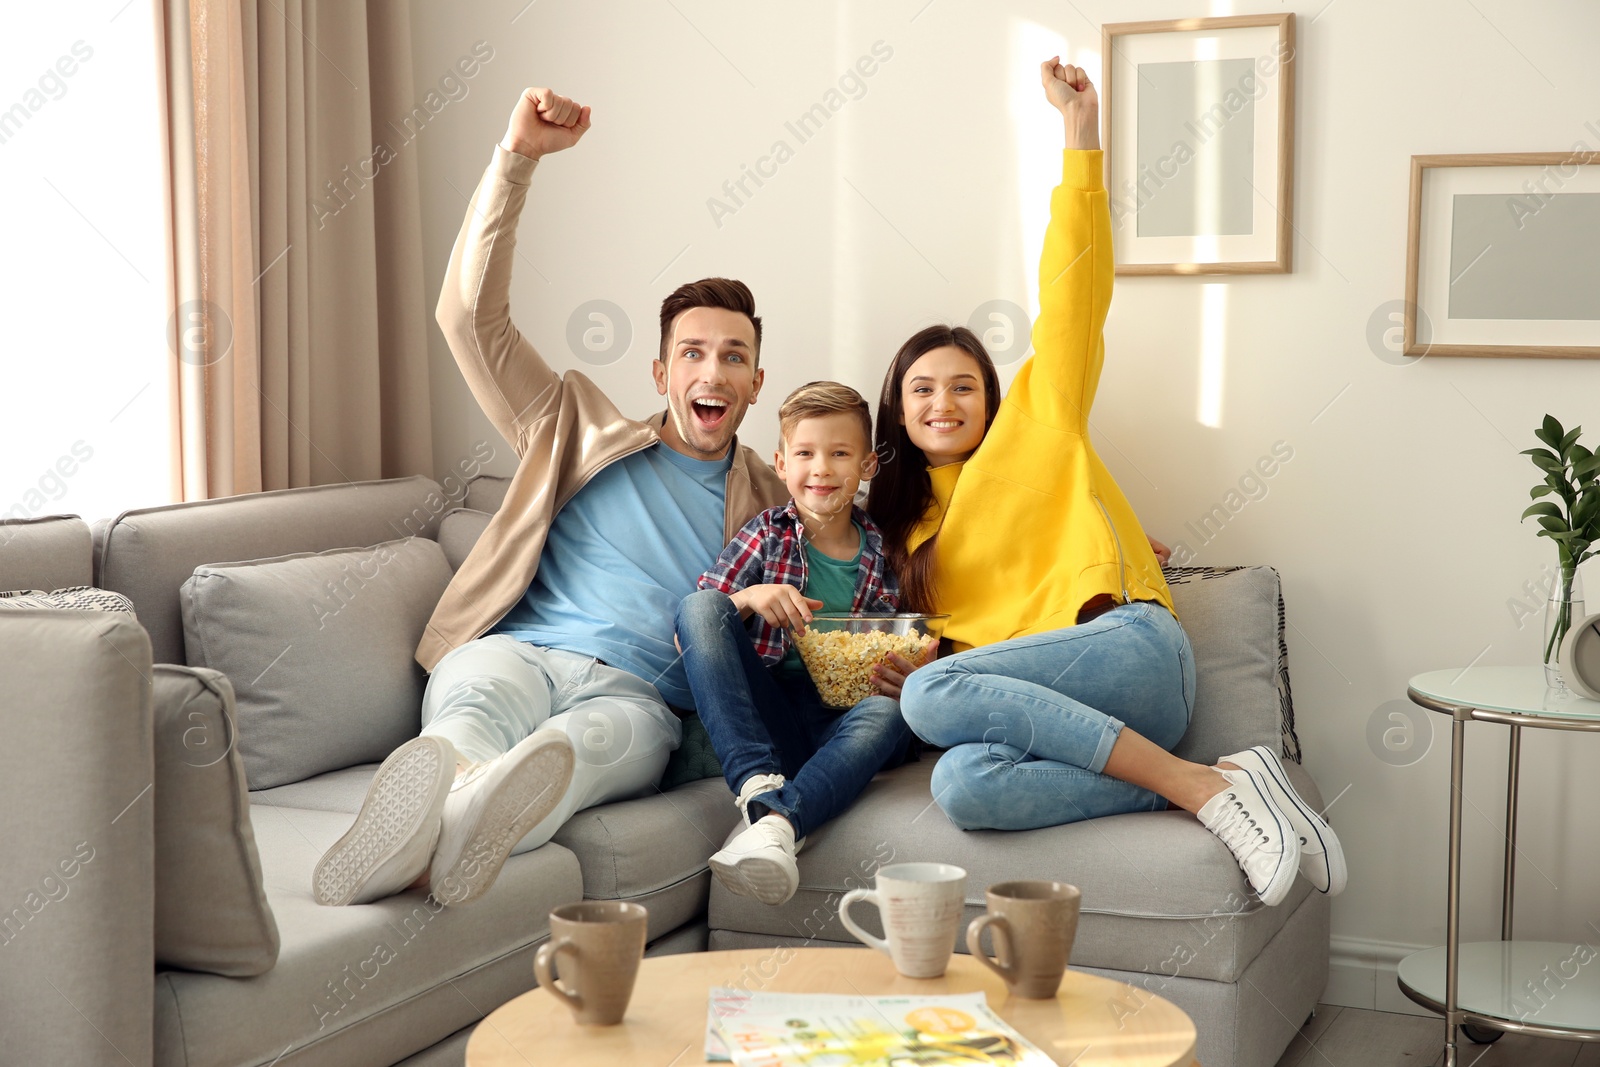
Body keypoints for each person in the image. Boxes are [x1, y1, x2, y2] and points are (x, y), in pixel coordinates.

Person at [865, 59, 1345, 908]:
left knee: (937, 694)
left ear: (994, 398)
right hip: (1091, 730)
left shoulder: (1039, 429)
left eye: (963, 384)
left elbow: (1073, 295)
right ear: (897, 414)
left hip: (1132, 658)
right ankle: (1218, 777)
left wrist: (1079, 136)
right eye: (922, 389)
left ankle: (1202, 794)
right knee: (963, 784)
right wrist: (910, 661)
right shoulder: (897, 533)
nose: (943, 402)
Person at [312, 85, 788, 908]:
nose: (712, 373)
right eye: (694, 353)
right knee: (469, 715)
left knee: (579, 750)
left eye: (734, 357)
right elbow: (466, 317)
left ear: (754, 382)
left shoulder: (775, 502)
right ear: (661, 371)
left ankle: (430, 837)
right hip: (520, 652)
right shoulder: (569, 423)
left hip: (637, 697)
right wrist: (516, 160)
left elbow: (851, 570)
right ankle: (451, 809)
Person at [675, 382, 912, 906]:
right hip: (771, 719)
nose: (821, 469)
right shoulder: (766, 534)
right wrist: (750, 597)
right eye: (805, 453)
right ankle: (762, 793)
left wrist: (904, 671)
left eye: (840, 453)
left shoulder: (884, 552)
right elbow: (689, 633)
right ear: (782, 464)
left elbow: (903, 643)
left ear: (869, 465)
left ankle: (774, 824)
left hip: (842, 725)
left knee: (891, 716)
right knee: (699, 605)